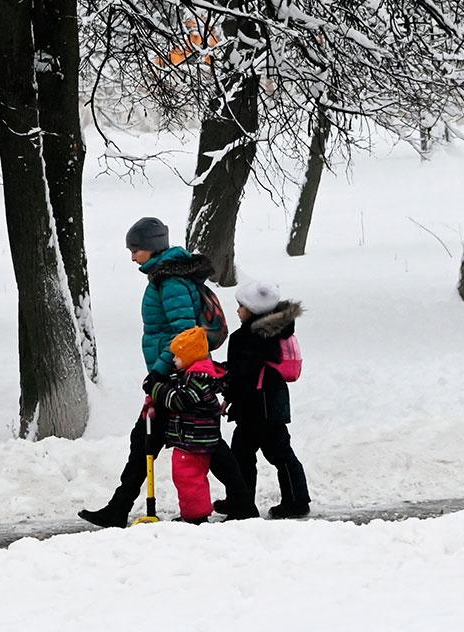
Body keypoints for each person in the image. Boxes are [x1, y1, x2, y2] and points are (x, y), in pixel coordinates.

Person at [78, 217, 240, 527]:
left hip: (175, 376)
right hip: (172, 373)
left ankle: (119, 508)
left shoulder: (171, 282)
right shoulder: (165, 277)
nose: (132, 256)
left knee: (154, 440)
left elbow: (184, 336)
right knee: (199, 441)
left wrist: (160, 374)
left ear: (150, 248)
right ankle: (241, 502)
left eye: (135, 249)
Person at [226, 279, 310, 519]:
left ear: (253, 309)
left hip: (255, 406)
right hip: (270, 404)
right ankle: (293, 499)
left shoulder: (247, 337)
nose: (237, 310)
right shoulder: (276, 330)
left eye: (241, 306)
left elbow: (241, 373)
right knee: (274, 454)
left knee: (248, 455)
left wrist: (227, 393)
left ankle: (244, 504)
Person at [151, 326, 254, 523]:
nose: (173, 360)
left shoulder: (197, 378)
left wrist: (156, 388)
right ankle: (242, 507)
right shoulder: (194, 375)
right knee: (224, 471)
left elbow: (179, 400)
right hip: (202, 436)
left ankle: (195, 516)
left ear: (190, 357)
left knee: (187, 476)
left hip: (194, 439)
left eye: (177, 356)